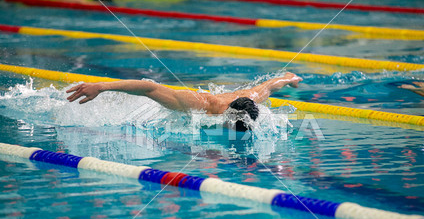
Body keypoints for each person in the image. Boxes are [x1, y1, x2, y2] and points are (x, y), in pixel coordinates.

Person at [66, 72, 302, 131]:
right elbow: (149, 88)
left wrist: (291, 78)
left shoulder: (253, 99)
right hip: (152, 109)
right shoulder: (201, 104)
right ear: (226, 116)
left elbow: (272, 84)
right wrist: (101, 87)